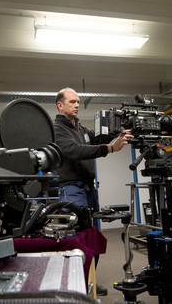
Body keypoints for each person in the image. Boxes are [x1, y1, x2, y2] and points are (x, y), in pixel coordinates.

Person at [53, 87, 132, 296]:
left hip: (89, 190)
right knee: (77, 239)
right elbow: (74, 150)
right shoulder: (57, 129)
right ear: (60, 105)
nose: (77, 105)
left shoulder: (80, 127)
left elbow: (95, 139)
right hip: (72, 190)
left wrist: (117, 132)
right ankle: (76, 286)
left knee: (92, 237)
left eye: (78, 101)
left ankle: (90, 280)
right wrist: (109, 148)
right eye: (72, 102)